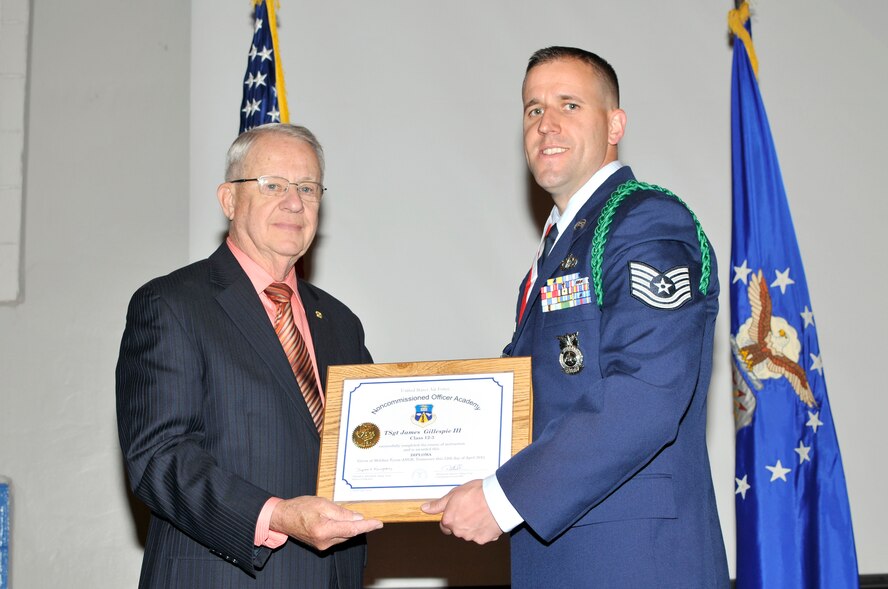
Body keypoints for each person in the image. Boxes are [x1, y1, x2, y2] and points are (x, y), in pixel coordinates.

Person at [422, 47, 730, 587]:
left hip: (631, 559)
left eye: (569, 105)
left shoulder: (646, 222)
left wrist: (502, 497)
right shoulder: (564, 243)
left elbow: (645, 394)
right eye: (533, 109)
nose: (547, 124)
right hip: (563, 552)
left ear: (615, 124)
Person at [116, 123, 383, 588]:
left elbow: (369, 443)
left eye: (307, 187)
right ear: (229, 200)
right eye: (272, 185)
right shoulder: (171, 304)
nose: (294, 202)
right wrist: (276, 515)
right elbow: (158, 457)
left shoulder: (341, 322)